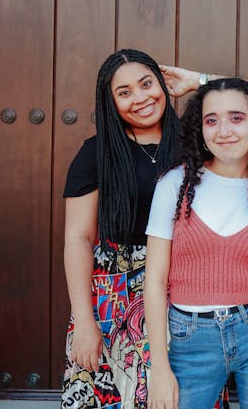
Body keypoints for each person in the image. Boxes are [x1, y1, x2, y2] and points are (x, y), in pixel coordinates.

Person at [144, 78, 248, 409]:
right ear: (199, 128)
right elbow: (155, 280)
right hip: (189, 340)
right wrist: (159, 368)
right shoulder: (174, 185)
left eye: (236, 117)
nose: (223, 130)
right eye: (211, 120)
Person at [61, 49, 179, 408]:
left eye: (147, 84)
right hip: (114, 297)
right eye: (124, 92)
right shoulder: (96, 153)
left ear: (163, 83)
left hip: (185, 292)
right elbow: (78, 238)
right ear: (110, 102)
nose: (141, 98)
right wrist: (84, 320)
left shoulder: (198, 141)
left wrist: (197, 81)